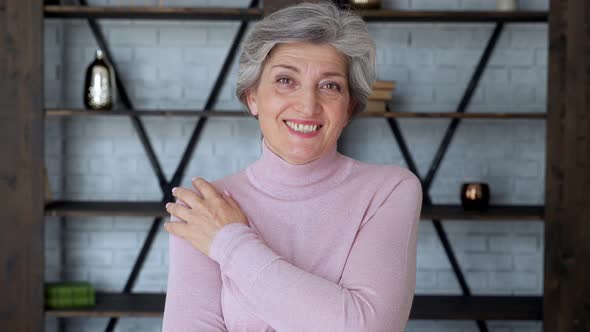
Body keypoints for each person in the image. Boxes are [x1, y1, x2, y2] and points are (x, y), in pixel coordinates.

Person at [162, 2, 422, 331]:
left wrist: (229, 241)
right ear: (252, 97)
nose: (307, 105)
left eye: (330, 85)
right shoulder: (202, 209)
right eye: (286, 80)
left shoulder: (390, 191)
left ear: (348, 108)